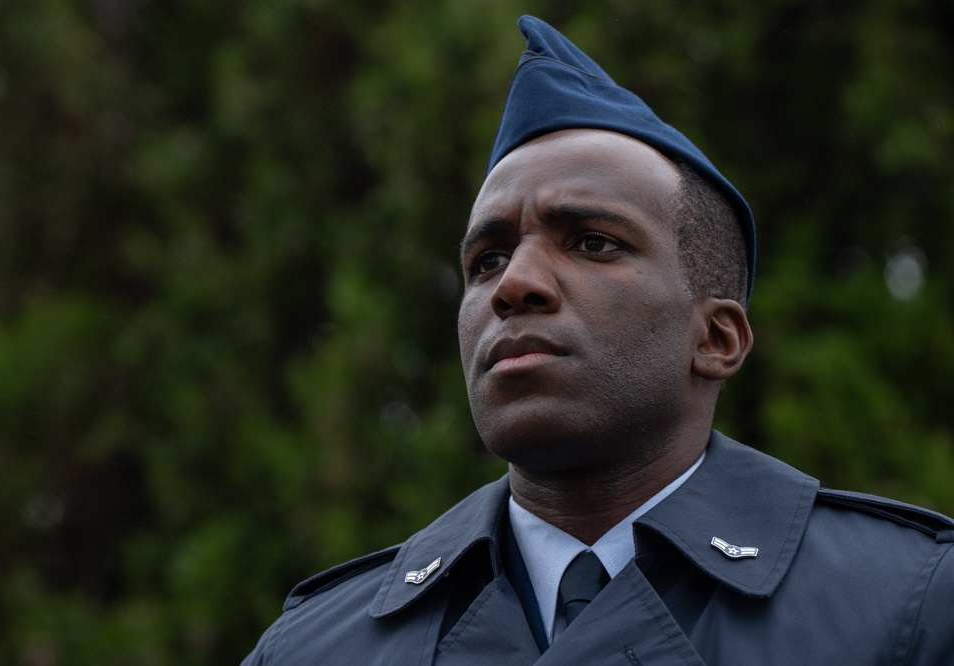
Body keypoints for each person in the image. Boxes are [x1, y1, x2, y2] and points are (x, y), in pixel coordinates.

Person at [242, 16, 954, 665]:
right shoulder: (316, 645)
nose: (513, 284)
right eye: (485, 260)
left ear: (716, 337)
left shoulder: (910, 605)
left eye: (591, 242)